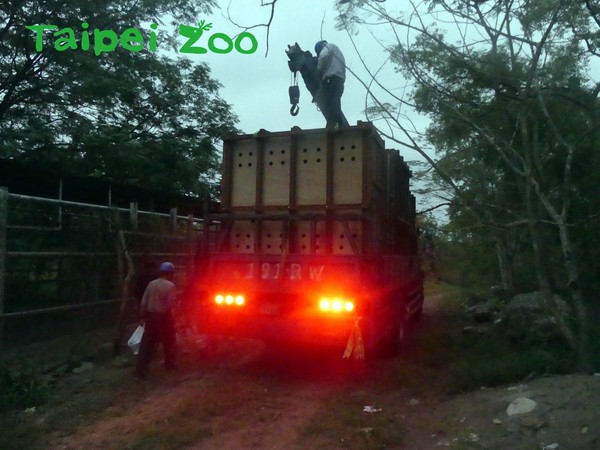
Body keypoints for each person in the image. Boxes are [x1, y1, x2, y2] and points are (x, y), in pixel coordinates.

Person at [134, 261, 178, 380]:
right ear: (170, 274)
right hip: (164, 317)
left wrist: (142, 317)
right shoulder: (170, 286)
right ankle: (169, 365)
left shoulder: (151, 284)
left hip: (150, 317)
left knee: (146, 344)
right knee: (169, 342)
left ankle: (140, 371)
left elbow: (144, 302)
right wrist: (176, 321)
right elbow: (171, 305)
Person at [315, 40, 346, 128]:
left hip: (331, 80)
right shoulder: (336, 51)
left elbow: (323, 56)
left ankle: (333, 124)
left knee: (330, 103)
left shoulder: (328, 47)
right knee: (335, 102)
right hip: (339, 81)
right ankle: (337, 124)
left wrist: (320, 69)